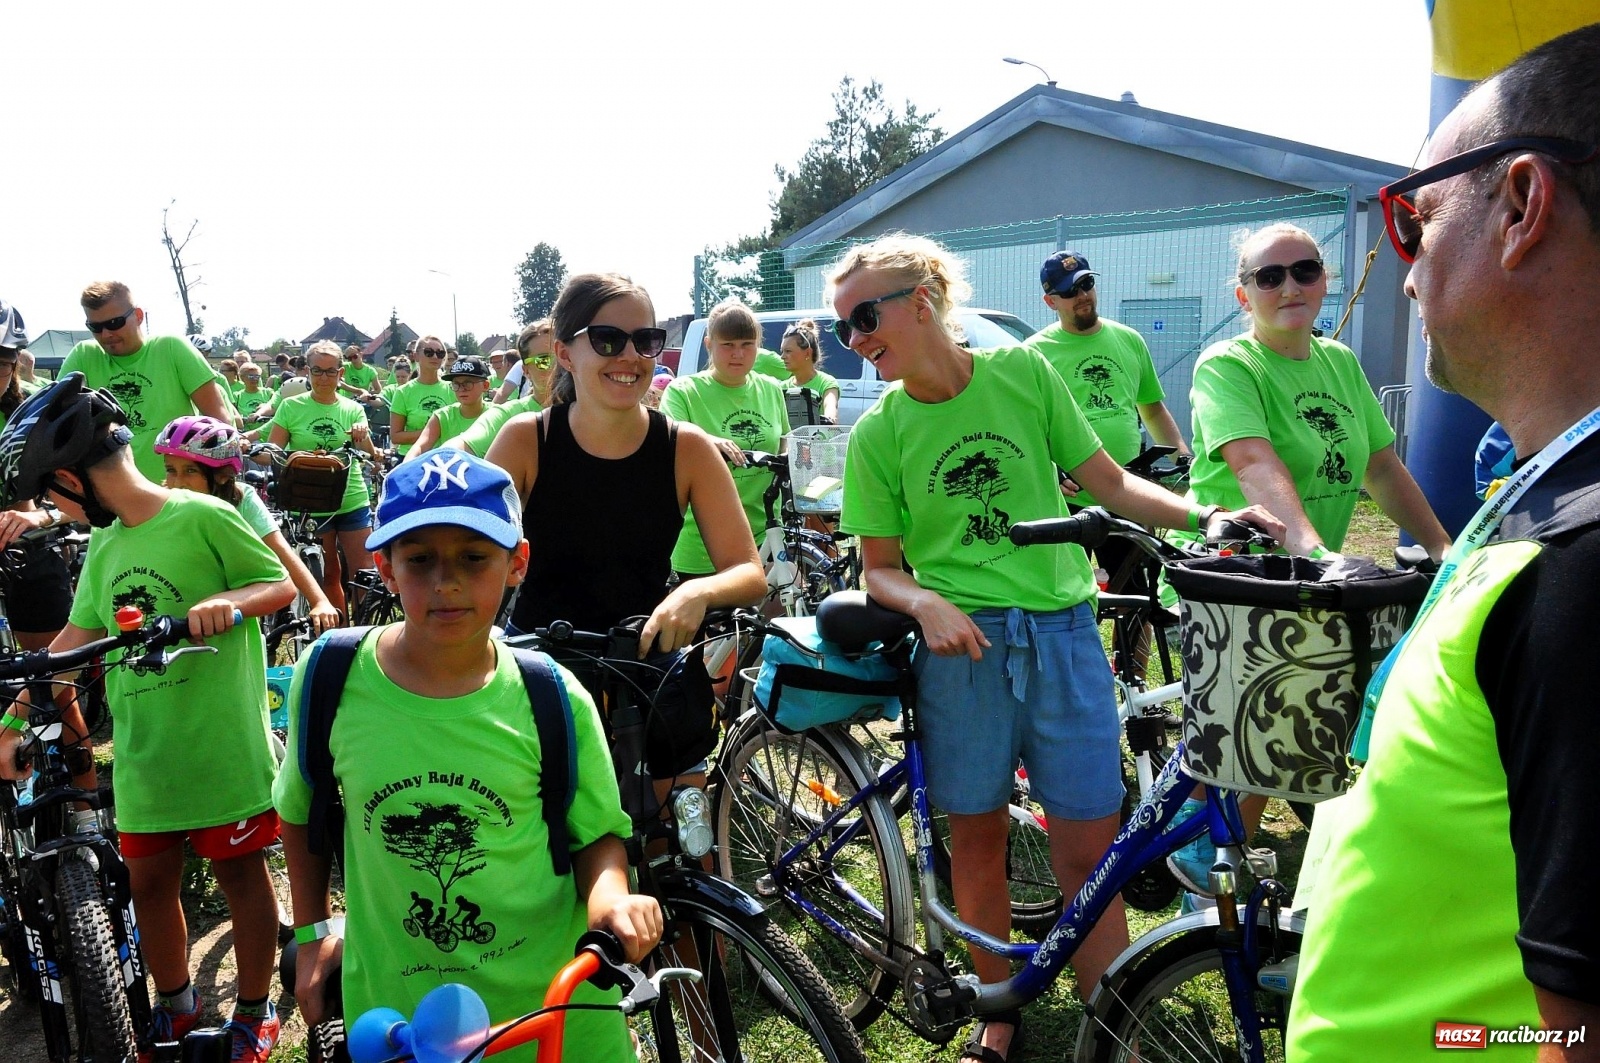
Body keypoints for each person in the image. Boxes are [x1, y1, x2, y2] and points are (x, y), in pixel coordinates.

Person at [829, 234, 1282, 1063]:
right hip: (963, 650)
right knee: (980, 838)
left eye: (865, 316)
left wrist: (1203, 516)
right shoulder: (879, 431)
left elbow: (1107, 481)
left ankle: (1113, 1017)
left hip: (1066, 632)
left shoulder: (1025, 375)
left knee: (1087, 847)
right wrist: (926, 601)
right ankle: (998, 1009)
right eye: (843, 326)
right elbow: (881, 570)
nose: (854, 339)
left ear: (922, 298)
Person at [1289, 25, 1600, 1061]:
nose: (1401, 269)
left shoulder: (1580, 563)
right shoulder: (1549, 499)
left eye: (1412, 220)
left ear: (1520, 206)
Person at [273, 449, 662, 1063]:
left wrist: (611, 900)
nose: (445, 582)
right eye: (419, 559)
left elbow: (598, 839)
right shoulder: (329, 676)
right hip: (400, 1022)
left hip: (556, 1018)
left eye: (473, 558)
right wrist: (313, 930)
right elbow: (300, 811)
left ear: (517, 564)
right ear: (385, 566)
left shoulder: (553, 697)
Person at [0, 375, 295, 1062]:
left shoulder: (203, 515)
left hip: (221, 749)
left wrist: (230, 601)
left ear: (73, 477)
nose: (50, 507)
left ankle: (256, 1010)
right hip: (145, 755)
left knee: (241, 877)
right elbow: (72, 641)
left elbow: (277, 581)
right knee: (150, 883)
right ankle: (176, 1007)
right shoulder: (104, 546)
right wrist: (14, 719)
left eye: (49, 492)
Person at [1163, 220, 1452, 897]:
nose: (1289, 285)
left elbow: (1382, 467)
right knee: (1262, 733)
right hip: (1234, 576)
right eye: (1270, 276)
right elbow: (1253, 461)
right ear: (1244, 296)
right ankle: (1200, 881)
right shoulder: (1229, 366)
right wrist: (1313, 546)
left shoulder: (1341, 364)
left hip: (1310, 579)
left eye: (1305, 269)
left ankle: (1236, 851)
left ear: (1325, 280)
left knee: (1303, 724)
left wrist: (1443, 544)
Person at [486, 273, 765, 654]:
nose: (630, 356)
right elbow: (472, 556)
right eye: (607, 339)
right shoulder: (525, 441)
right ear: (564, 354)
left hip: (640, 665)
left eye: (645, 340)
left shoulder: (687, 447)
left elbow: (748, 572)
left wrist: (696, 592)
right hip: (536, 662)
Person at [1025, 251, 1191, 497]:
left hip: (1130, 490)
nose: (1082, 296)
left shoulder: (1129, 339)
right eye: (1070, 292)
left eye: (1086, 284)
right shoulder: (1033, 353)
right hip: (1072, 502)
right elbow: (1025, 426)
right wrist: (1046, 468)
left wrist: (1183, 459)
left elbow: (1152, 410)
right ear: (1051, 302)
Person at [156, 415, 340, 637]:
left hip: (232, 613)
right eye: (170, 470)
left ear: (222, 475)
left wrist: (319, 601)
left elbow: (280, 550)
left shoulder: (242, 501)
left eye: (190, 471)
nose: (177, 482)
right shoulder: (161, 503)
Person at [660, 298, 790, 580]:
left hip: (764, 530)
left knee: (774, 614)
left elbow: (783, 441)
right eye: (727, 345)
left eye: (746, 345)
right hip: (702, 540)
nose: (737, 354)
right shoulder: (684, 391)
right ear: (709, 345)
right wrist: (707, 441)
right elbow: (669, 439)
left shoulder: (770, 388)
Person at [61, 281, 235, 485]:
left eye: (115, 323)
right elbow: (58, 419)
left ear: (138, 316)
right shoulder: (83, 355)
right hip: (109, 495)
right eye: (95, 327)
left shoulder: (171, 347)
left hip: (176, 491)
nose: (106, 334)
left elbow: (218, 417)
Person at [263, 341, 378, 618]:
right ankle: (335, 638)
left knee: (364, 574)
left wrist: (363, 435)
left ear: (341, 375)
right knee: (329, 574)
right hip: (311, 501)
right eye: (317, 371)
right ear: (308, 372)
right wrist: (253, 450)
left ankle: (363, 632)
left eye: (330, 372)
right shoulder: (291, 407)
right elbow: (272, 452)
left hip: (351, 500)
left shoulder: (352, 409)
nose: (324, 378)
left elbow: (370, 455)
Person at [442, 324, 559, 456]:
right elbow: (459, 447)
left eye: (562, 355)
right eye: (544, 361)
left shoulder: (586, 409)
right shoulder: (509, 415)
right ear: (526, 371)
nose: (558, 366)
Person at [408, 355, 493, 458]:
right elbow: (420, 447)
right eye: (456, 384)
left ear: (485, 386)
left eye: (468, 383)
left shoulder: (497, 414)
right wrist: (406, 465)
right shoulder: (442, 416)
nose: (461, 389)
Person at [387, 335, 454, 457]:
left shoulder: (453, 389)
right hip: (413, 458)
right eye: (429, 352)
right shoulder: (403, 392)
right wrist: (433, 432)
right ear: (416, 356)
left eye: (440, 353)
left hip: (446, 457)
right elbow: (396, 437)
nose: (435, 356)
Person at [779, 318, 840, 424]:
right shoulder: (781, 388)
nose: (782, 357)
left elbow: (830, 407)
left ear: (807, 353)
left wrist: (830, 418)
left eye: (788, 351)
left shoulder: (826, 383)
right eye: (782, 351)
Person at [491, 319, 557, 405]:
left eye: (564, 356)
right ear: (526, 371)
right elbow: (502, 395)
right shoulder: (514, 412)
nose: (556, 366)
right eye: (543, 361)